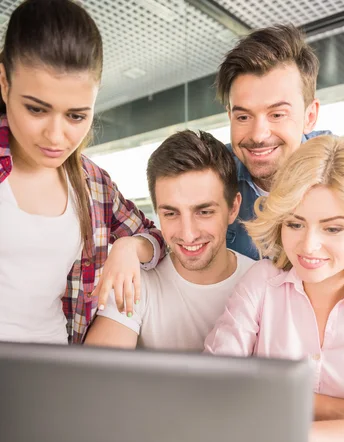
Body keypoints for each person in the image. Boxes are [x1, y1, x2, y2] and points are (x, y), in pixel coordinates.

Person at [205, 135, 344, 442]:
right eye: (295, 223)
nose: (308, 246)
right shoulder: (262, 284)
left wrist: (290, 434)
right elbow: (212, 388)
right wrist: (335, 409)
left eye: (332, 229)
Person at [0, 0, 165, 344]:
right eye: (36, 109)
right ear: (4, 82)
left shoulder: (93, 184)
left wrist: (130, 248)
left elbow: (157, 238)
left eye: (76, 115)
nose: (56, 137)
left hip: (54, 374)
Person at [85, 130, 254, 351]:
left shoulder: (263, 284)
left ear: (233, 208)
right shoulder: (136, 283)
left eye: (204, 212)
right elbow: (95, 378)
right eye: (171, 214)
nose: (188, 234)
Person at [215, 24, 331, 259]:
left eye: (277, 115)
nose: (258, 135)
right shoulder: (213, 173)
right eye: (243, 117)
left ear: (309, 117)